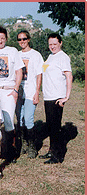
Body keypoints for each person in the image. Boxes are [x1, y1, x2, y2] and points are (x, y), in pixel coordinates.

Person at [0, 26, 24, 162]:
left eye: (2, 38)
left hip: (9, 90)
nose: (0, 41)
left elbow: (19, 71)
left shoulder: (12, 51)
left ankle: (11, 151)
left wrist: (16, 89)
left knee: (9, 121)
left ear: (6, 39)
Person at [39, 33, 73, 164]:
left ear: (60, 43)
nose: (52, 46)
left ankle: (58, 155)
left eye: (55, 44)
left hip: (57, 97)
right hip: (48, 96)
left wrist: (66, 97)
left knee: (55, 127)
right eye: (50, 44)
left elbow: (69, 77)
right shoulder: (50, 57)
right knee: (50, 126)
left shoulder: (63, 57)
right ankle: (52, 150)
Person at [15, 30, 44, 159]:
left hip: (30, 91)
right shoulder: (16, 54)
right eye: (20, 39)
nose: (22, 42)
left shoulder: (36, 55)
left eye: (24, 39)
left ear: (29, 39)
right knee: (19, 119)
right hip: (19, 91)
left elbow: (39, 74)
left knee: (28, 119)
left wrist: (37, 92)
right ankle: (22, 144)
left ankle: (32, 146)